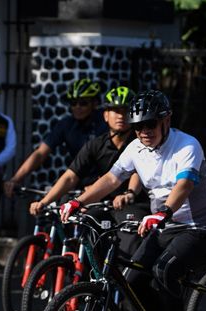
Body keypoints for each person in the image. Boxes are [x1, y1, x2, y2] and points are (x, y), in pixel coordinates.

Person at [59, 90, 206, 311]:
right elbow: (111, 179)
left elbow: (185, 184)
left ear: (166, 120)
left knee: (164, 269)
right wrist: (78, 202)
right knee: (132, 280)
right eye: (138, 126)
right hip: (164, 225)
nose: (144, 131)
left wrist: (163, 213)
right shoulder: (136, 148)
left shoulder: (187, 145)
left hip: (199, 227)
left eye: (150, 124)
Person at [31, 85, 146, 256]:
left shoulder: (141, 142)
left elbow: (137, 171)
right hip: (103, 203)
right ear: (105, 115)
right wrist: (45, 201)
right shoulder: (95, 144)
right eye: (115, 110)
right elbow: (70, 176)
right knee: (82, 230)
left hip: (133, 203)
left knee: (130, 248)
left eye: (125, 110)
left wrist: (129, 193)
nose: (121, 115)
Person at [4, 77, 106, 196]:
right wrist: (16, 179)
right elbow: (40, 153)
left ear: (95, 103)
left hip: (104, 182)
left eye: (83, 103)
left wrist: (100, 183)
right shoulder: (66, 124)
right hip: (76, 182)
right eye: (73, 103)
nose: (77, 107)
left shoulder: (105, 122)